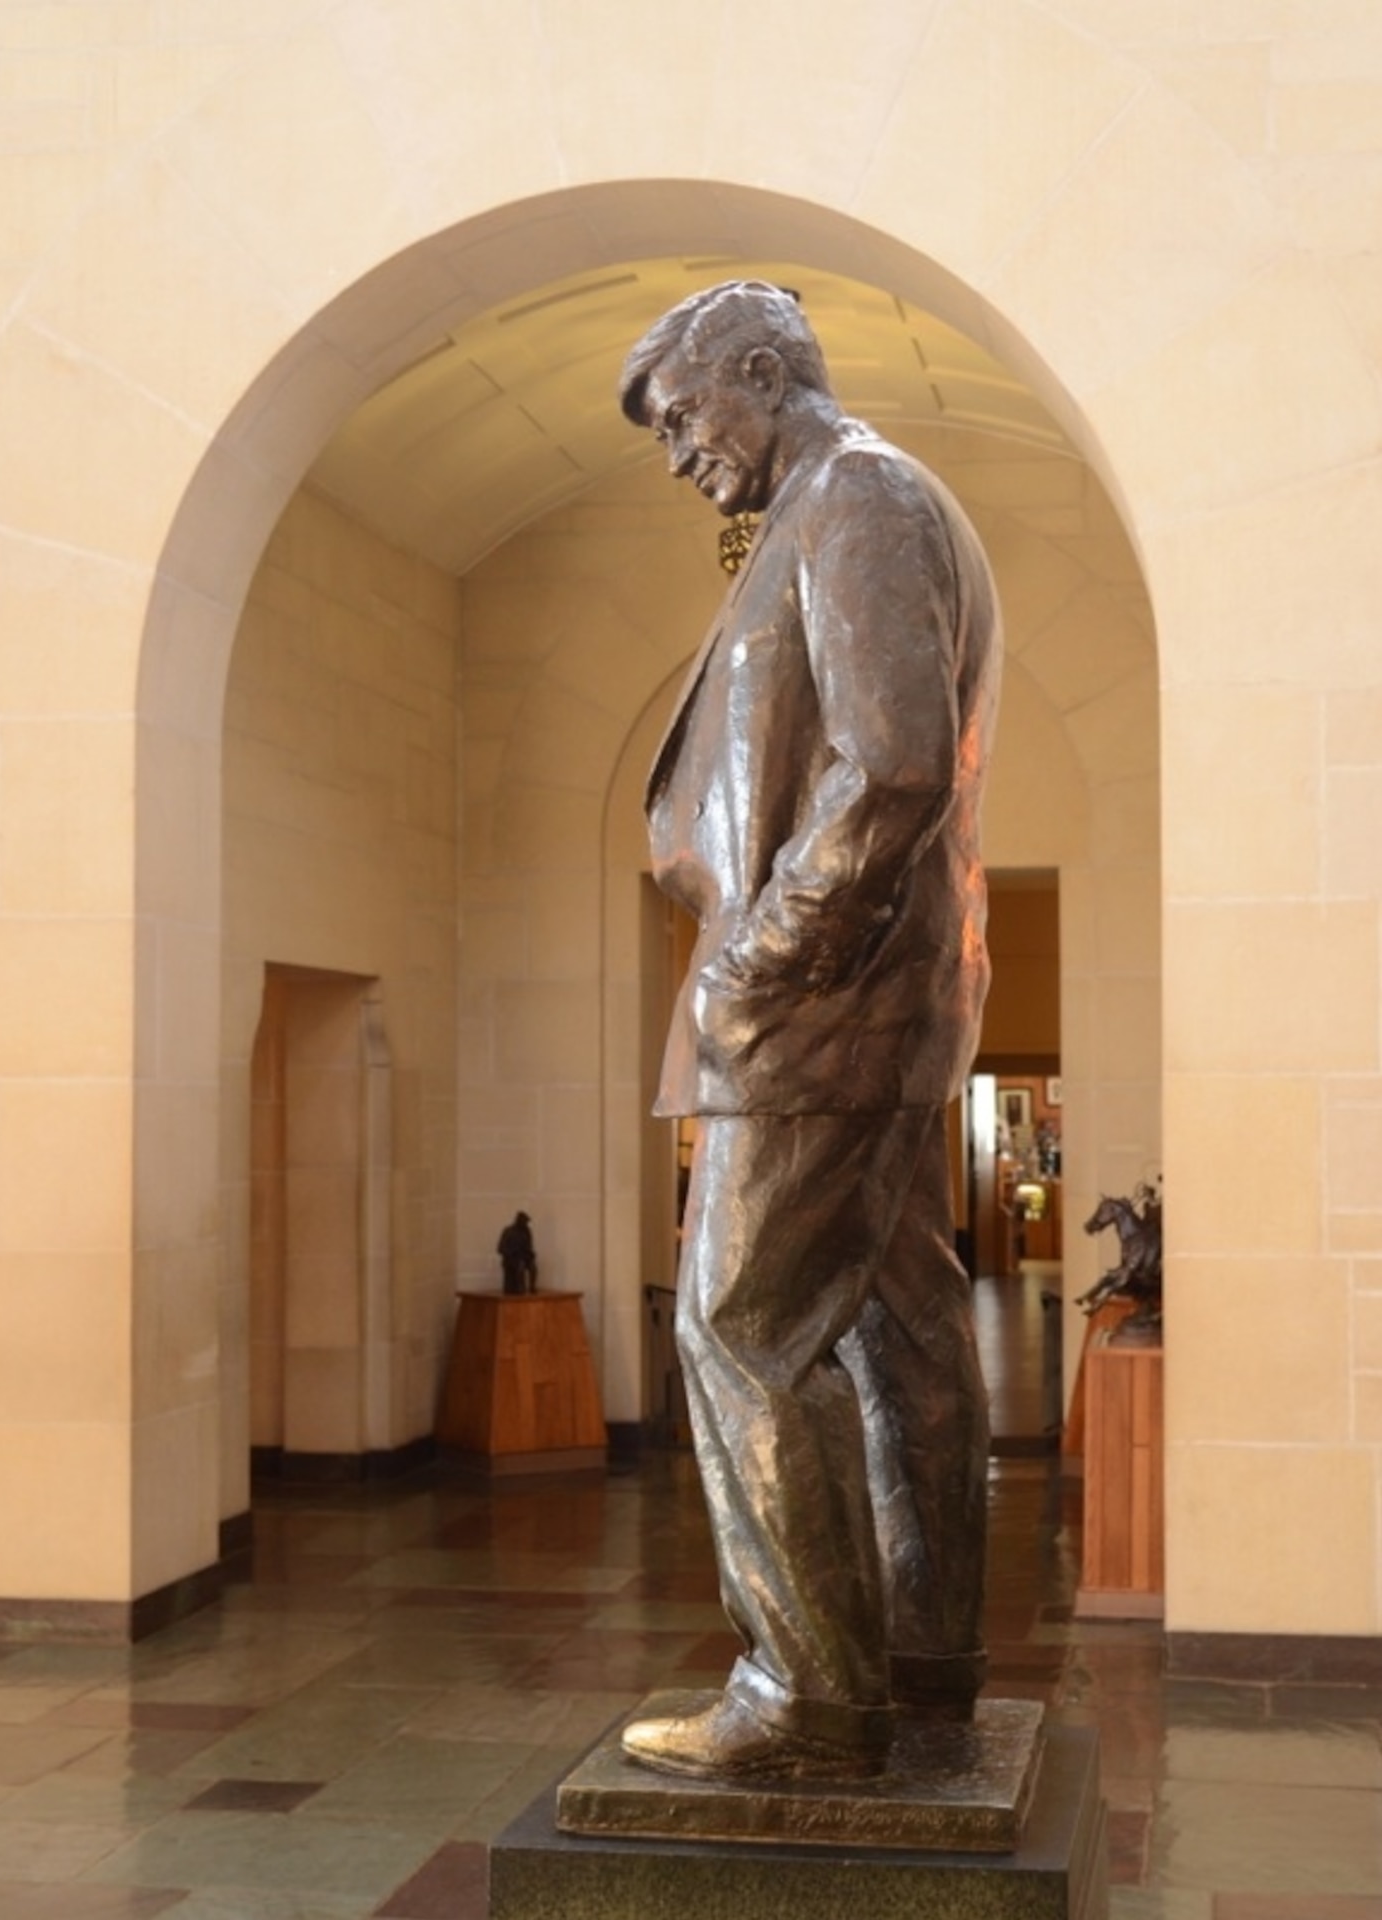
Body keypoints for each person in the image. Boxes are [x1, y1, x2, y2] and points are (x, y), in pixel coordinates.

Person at [620, 281, 1000, 1781]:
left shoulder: (856, 495)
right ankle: (921, 1655)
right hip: (867, 1008)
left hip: (822, 1013)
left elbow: (893, 767)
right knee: (902, 1323)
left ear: (764, 373)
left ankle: (809, 1696)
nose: (678, 456)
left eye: (687, 417)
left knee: (741, 1328)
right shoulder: (848, 504)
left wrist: (762, 962)